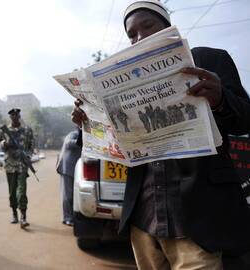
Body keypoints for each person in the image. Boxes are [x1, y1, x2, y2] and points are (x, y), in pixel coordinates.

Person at [71, 1, 250, 269]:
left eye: (148, 26)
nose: (140, 37)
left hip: (199, 222)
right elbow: (113, 146)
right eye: (132, 34)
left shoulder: (209, 60)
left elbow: (244, 120)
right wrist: (87, 123)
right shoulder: (123, 80)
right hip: (144, 222)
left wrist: (222, 99)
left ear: (168, 27)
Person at [0, 108, 34, 229]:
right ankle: (14, 214)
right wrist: (5, 144)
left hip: (22, 165)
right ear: (10, 117)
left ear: (19, 116)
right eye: (12, 115)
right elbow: (1, 145)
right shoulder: (5, 130)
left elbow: (31, 146)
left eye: (17, 115)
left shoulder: (27, 130)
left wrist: (27, 156)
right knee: (12, 192)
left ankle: (23, 216)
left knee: (22, 191)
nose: (15, 117)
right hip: (10, 165)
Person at [56, 129, 82, 226]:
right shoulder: (73, 134)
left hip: (76, 169)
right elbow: (68, 143)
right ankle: (67, 218)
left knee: (75, 195)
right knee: (67, 195)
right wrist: (82, 140)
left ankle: (73, 217)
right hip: (67, 169)